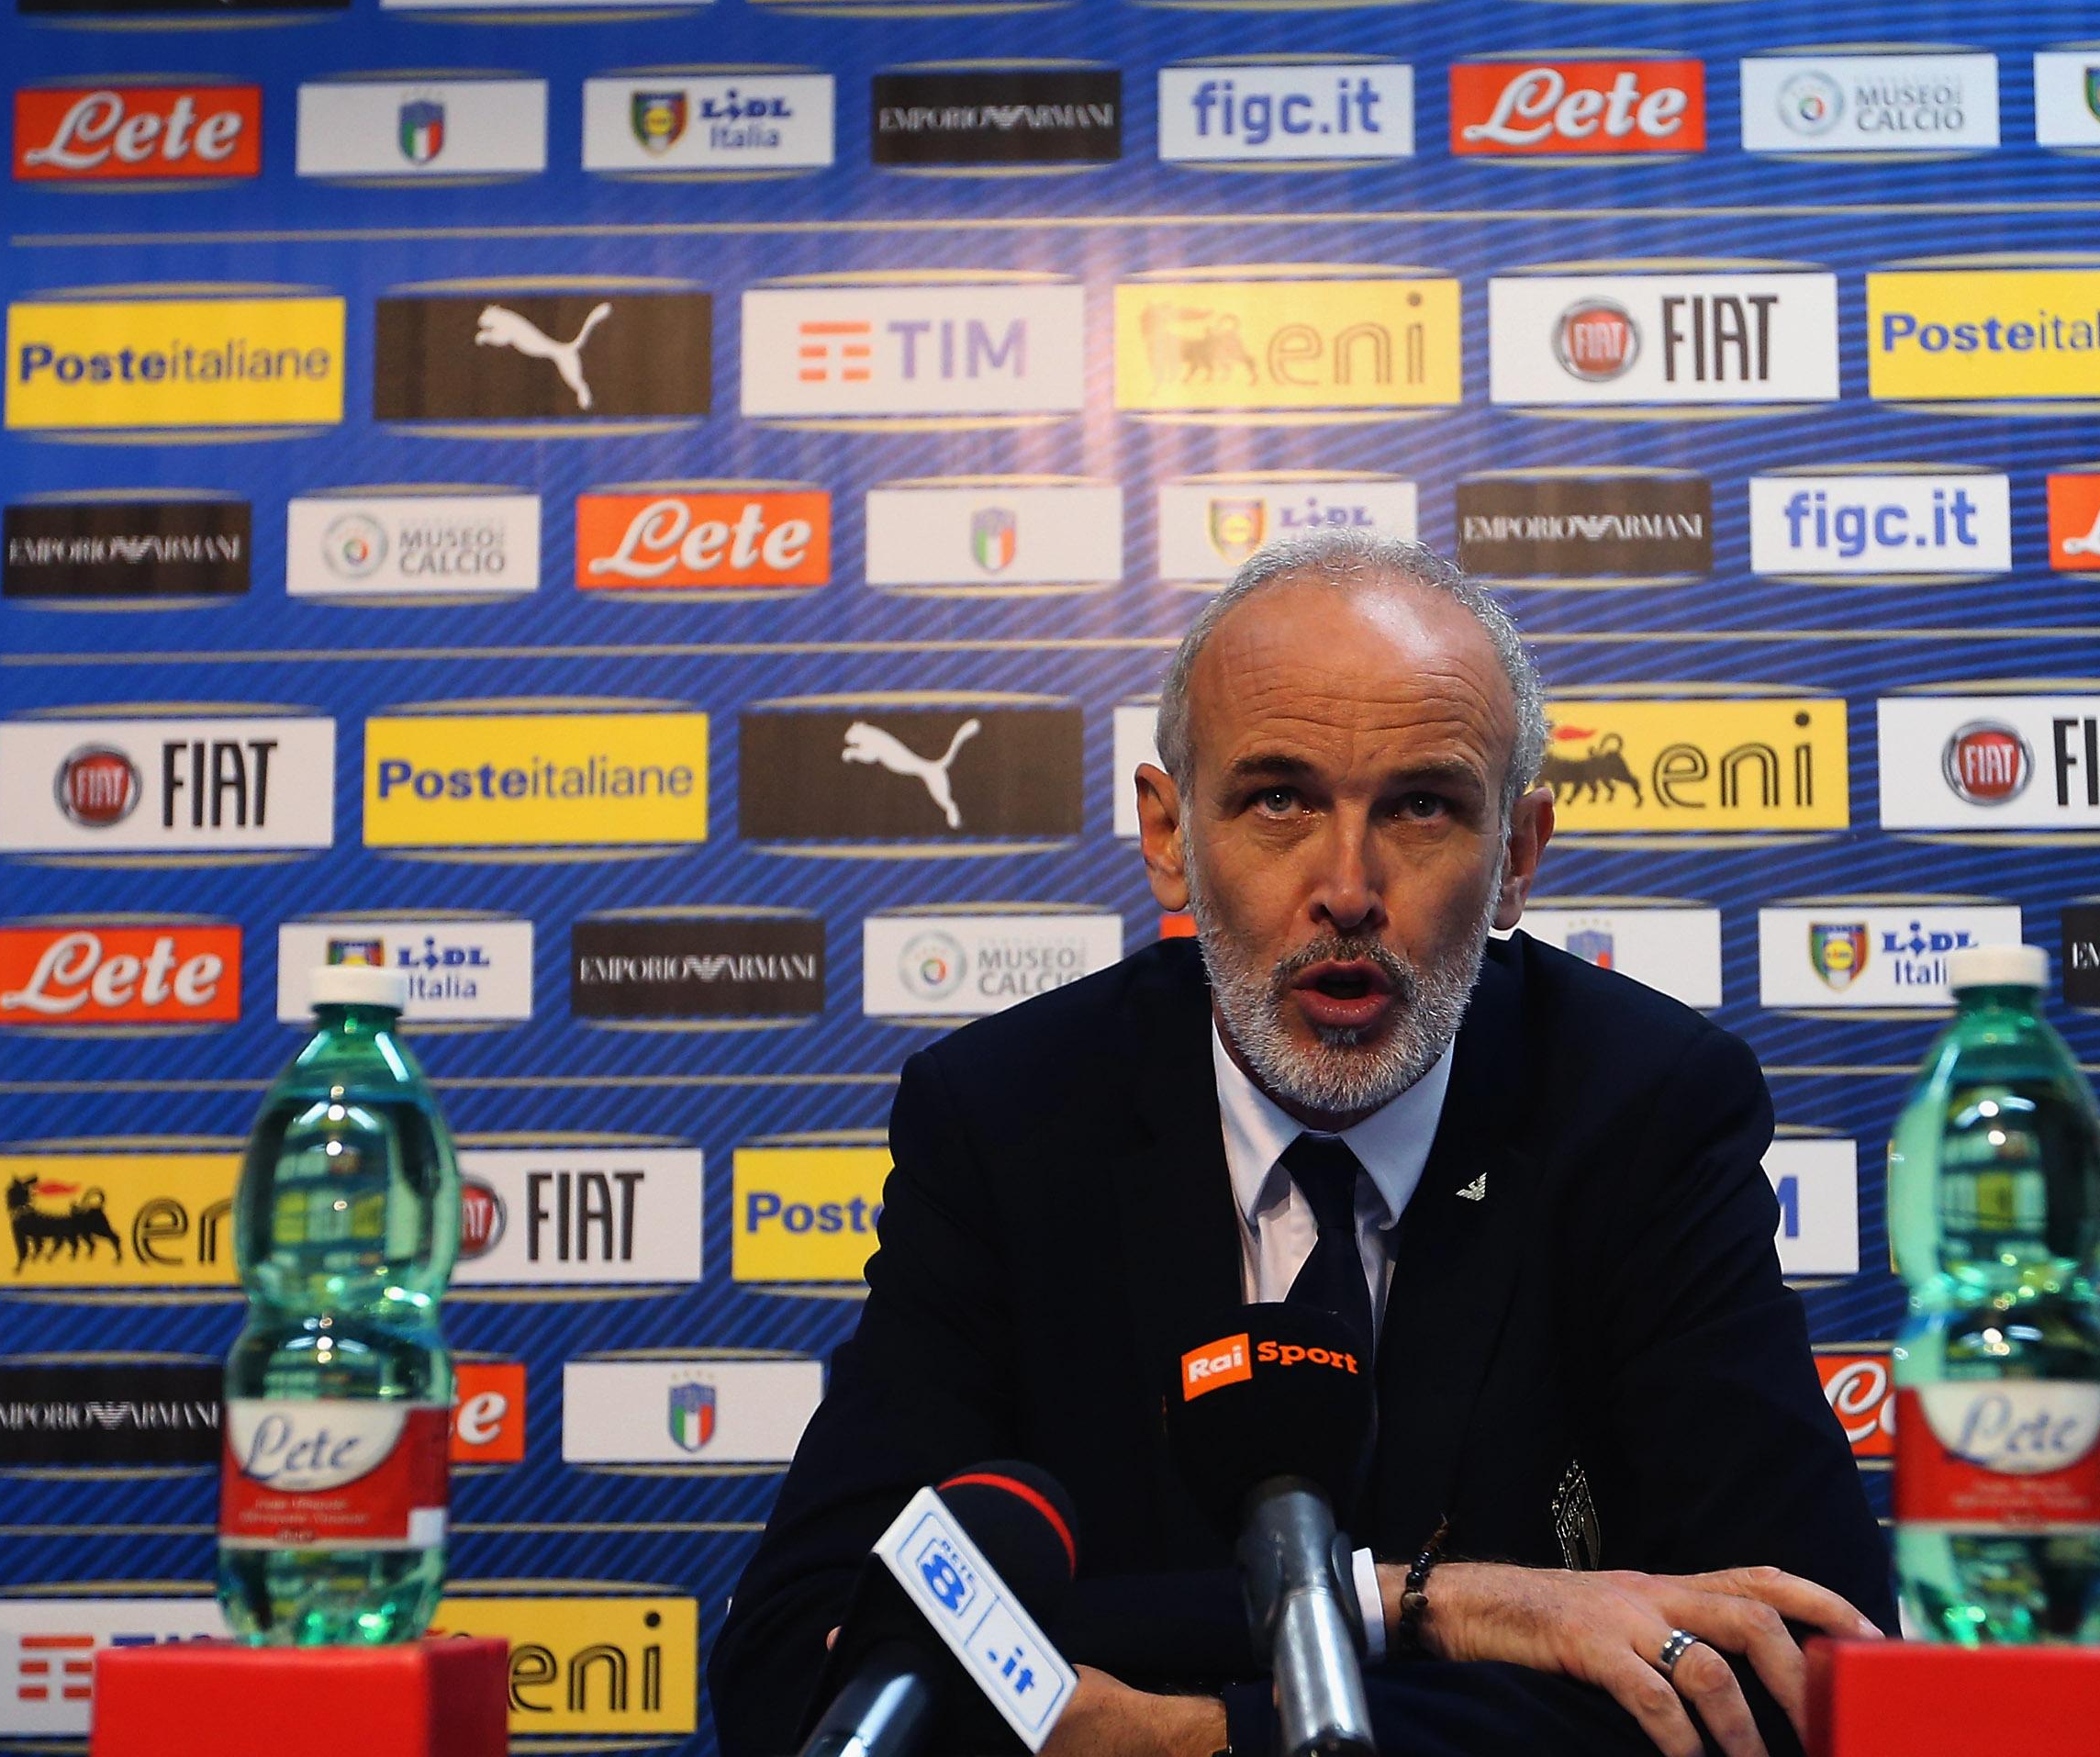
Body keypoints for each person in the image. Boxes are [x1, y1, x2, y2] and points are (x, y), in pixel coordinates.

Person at [710, 535, 1893, 1757]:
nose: (1347, 886)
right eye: (1278, 799)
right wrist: (1443, 1605)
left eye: (1422, 807)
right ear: (1170, 837)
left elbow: (1792, 1670)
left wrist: (1187, 1737)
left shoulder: (1642, 1113)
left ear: (1518, 859)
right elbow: (808, 1663)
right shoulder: (1011, 1118)